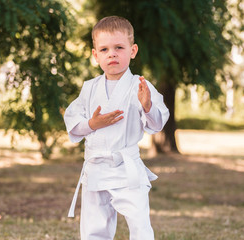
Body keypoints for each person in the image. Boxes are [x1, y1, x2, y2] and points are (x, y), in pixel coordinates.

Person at [64, 16, 169, 240]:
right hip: (96, 168)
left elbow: (157, 123)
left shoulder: (140, 86)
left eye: (119, 47)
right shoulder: (89, 89)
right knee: (94, 229)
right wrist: (92, 124)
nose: (112, 53)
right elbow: (72, 122)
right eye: (104, 49)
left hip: (126, 167)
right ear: (95, 55)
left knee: (140, 225)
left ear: (132, 50)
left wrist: (147, 106)